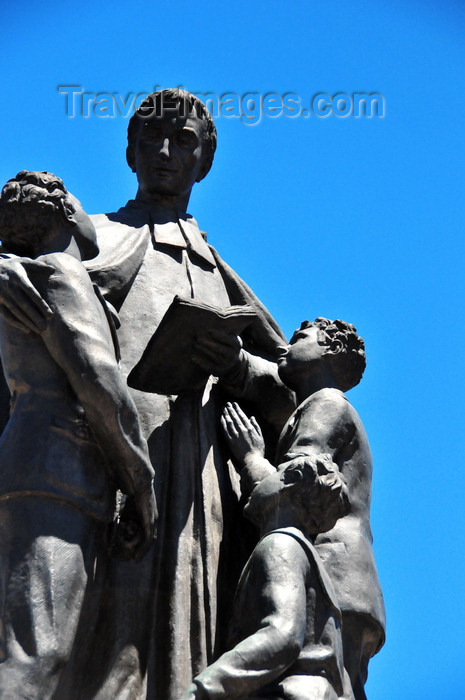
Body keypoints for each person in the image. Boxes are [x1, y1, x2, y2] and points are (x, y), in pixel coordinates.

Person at [0, 92, 295, 699]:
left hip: (198, 481)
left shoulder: (221, 272)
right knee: (74, 641)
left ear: (203, 160)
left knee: (181, 634)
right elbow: (29, 281)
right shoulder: (92, 237)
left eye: (183, 140)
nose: (166, 152)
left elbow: (289, 391)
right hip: (99, 462)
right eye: (152, 138)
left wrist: (238, 366)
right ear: (130, 152)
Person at [0, 171, 157, 700]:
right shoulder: (60, 271)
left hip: (29, 462)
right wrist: (141, 481)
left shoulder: (17, 275)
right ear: (67, 211)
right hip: (58, 471)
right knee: (38, 653)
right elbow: (100, 383)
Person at [220, 318, 386, 700]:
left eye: (298, 339)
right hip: (350, 584)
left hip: (329, 574)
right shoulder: (320, 405)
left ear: (330, 351)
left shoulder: (327, 403)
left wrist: (250, 456)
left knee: (308, 685)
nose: (284, 347)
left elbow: (295, 483)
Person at [183, 453, 354, 700]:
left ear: (288, 483)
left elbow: (283, 636)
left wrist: (200, 690)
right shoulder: (308, 559)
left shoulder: (281, 545)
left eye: (274, 472)